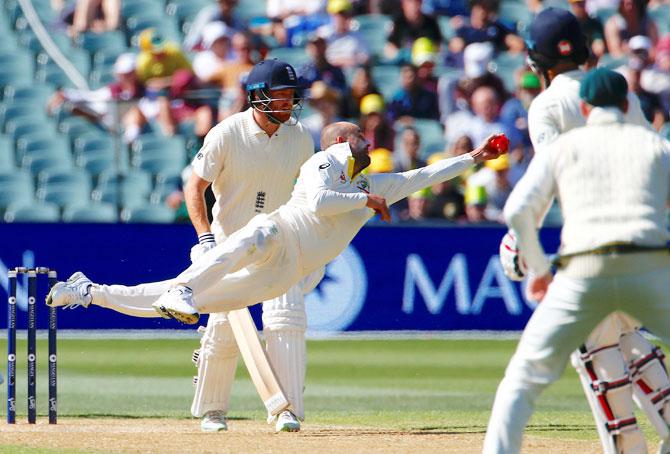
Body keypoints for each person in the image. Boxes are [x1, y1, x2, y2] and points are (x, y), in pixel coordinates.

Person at [46, 121, 505, 339]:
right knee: (257, 235)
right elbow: (321, 204)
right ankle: (176, 292)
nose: (365, 136)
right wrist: (364, 199)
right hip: (281, 236)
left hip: (290, 271)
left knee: (186, 299)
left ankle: (93, 292)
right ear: (339, 144)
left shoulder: (373, 181)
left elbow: (424, 177)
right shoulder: (321, 163)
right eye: (354, 133)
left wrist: (473, 159)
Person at [62, 59, 316, 434]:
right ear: (257, 97)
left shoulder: (300, 138)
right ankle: (214, 410)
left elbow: (307, 192)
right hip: (228, 246)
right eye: (280, 96)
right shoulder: (227, 133)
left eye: (291, 97)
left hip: (276, 244)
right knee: (223, 327)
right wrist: (206, 239)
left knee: (286, 315)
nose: (287, 104)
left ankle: (287, 410)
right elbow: (193, 187)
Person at [495, 8, 670, 454]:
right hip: (648, 244)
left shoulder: (546, 105)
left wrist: (528, 254)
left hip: (589, 245)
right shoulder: (625, 100)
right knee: (625, 337)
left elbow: (549, 180)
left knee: (587, 351)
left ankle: (627, 448)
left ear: (536, 60)